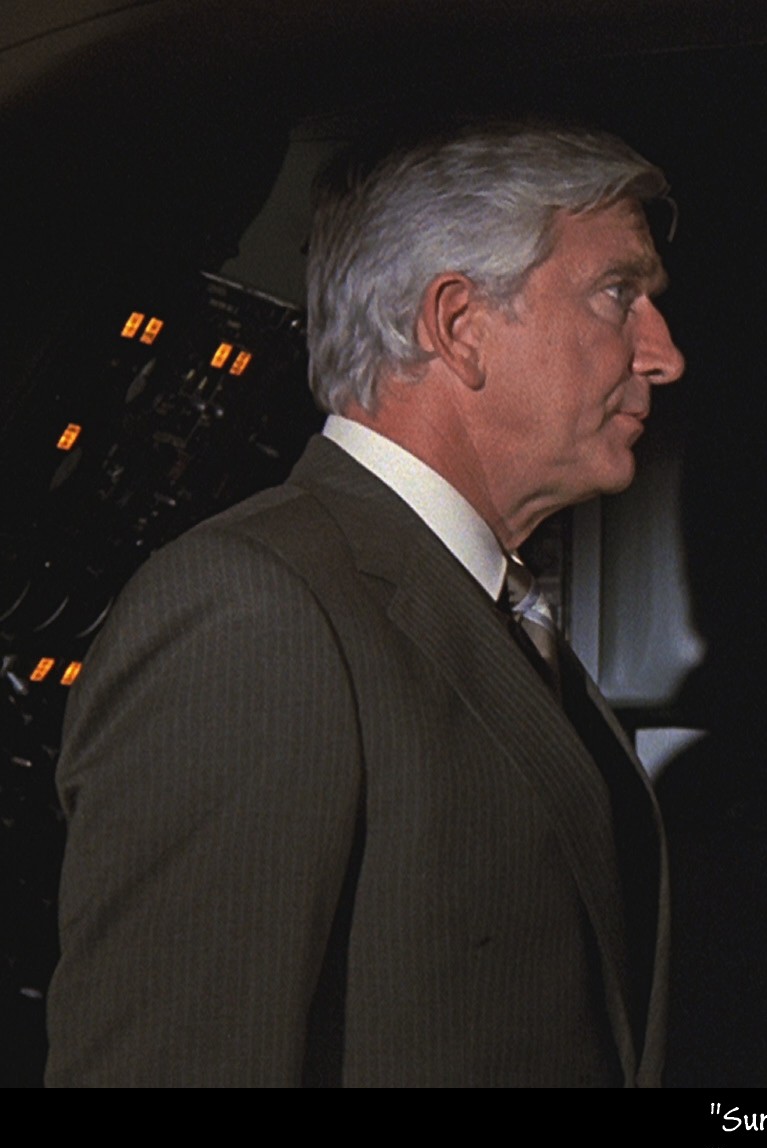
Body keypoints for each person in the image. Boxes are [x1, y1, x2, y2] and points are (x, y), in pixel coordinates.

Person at [46, 121, 685, 1085]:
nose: (662, 354)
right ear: (459, 324)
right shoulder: (253, 614)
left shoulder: (481, 609)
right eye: (618, 294)